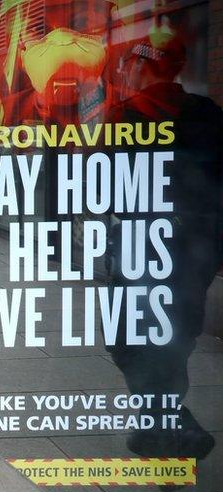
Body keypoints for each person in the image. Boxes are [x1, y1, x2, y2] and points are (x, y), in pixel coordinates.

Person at [106, 34, 223, 463]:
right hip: (198, 252)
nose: (125, 74)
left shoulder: (126, 116)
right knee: (175, 340)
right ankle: (163, 437)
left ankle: (175, 428)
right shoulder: (209, 115)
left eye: (128, 66)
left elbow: (103, 190)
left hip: (145, 248)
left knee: (127, 339)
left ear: (142, 66)